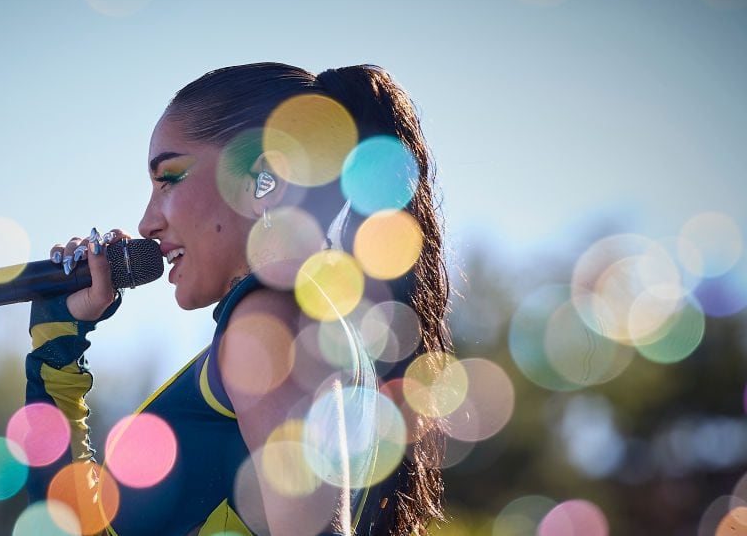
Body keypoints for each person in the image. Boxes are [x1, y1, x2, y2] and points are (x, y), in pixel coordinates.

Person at [22, 62, 451, 535]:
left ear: (264, 181)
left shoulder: (268, 321)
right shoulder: (293, 325)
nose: (146, 223)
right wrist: (59, 341)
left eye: (168, 178)